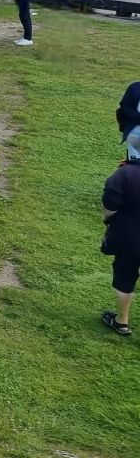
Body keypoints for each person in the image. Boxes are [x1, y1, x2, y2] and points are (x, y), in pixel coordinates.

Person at [99, 128, 140, 337]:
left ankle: (122, 322)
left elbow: (110, 206)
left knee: (125, 274)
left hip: (129, 238)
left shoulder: (124, 174)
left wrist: (108, 220)